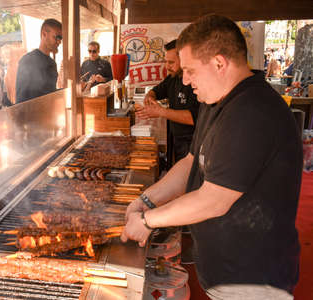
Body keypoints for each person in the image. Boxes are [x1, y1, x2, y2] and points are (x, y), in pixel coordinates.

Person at [121, 14, 302, 300]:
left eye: (190, 69)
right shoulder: (215, 101)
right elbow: (192, 162)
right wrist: (145, 200)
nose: (184, 78)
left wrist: (148, 221)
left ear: (219, 63)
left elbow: (214, 198)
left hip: (252, 278)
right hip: (225, 269)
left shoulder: (253, 112)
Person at [136, 39, 199, 166]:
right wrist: (150, 97)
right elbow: (156, 91)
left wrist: (160, 111)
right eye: (166, 61)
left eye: (171, 62)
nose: (167, 66)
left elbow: (194, 117)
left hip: (192, 141)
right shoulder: (173, 78)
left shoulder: (196, 83)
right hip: (175, 137)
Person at [15, 18, 62, 104]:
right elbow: (20, 100)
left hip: (49, 114)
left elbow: (50, 93)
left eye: (61, 38)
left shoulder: (52, 63)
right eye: (56, 37)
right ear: (44, 34)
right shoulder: (27, 61)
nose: (59, 42)